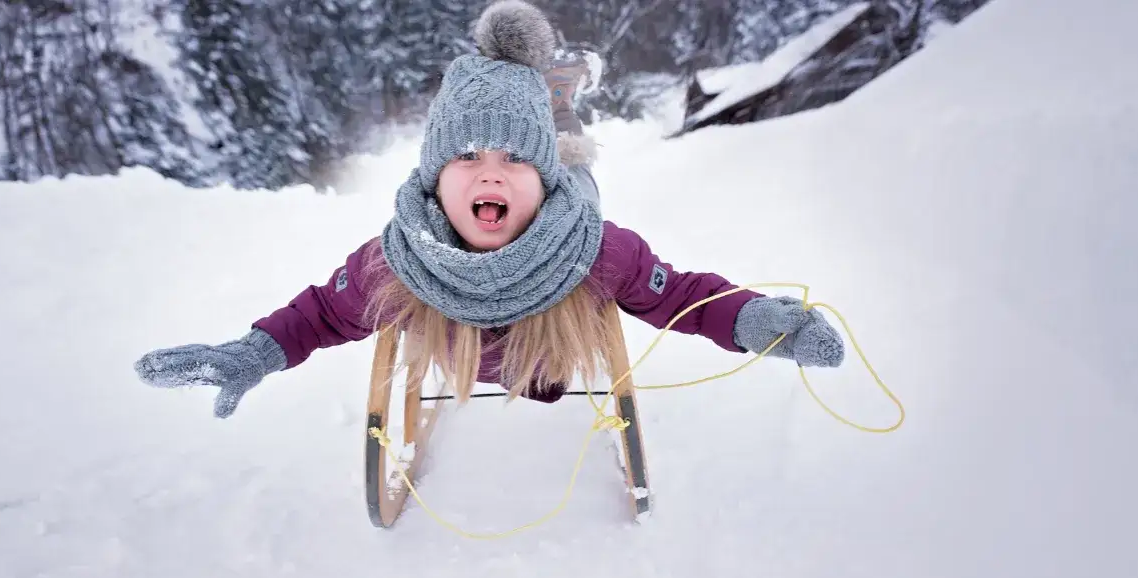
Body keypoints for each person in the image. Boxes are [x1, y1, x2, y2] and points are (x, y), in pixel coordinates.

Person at [133, 0, 845, 419]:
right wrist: (253, 352)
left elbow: (683, 299)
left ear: (538, 181)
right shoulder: (398, 260)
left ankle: (554, 105)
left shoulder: (595, 251)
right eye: (466, 158)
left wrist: (760, 323)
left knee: (569, 152)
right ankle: (545, 98)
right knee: (537, 138)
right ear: (434, 179)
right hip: (510, 258)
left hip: (560, 229)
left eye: (511, 162)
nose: (489, 175)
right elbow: (321, 313)